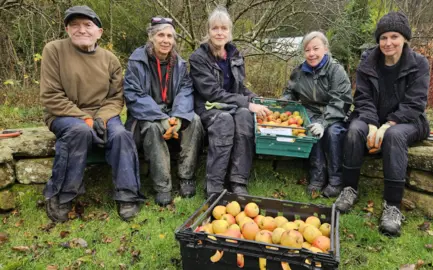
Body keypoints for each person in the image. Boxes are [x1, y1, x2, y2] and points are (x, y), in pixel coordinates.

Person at [40, 5, 145, 222]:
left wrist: (101, 118)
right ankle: (62, 194)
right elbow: (51, 95)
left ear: (99, 32)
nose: (82, 30)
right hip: (64, 114)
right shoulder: (54, 50)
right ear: (67, 29)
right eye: (75, 25)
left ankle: (127, 194)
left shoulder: (110, 59)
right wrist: (84, 119)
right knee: (79, 132)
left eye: (88, 25)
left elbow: (116, 97)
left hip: (103, 114)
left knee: (122, 136)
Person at [335, 12, 430, 236]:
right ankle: (349, 189)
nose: (388, 43)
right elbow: (363, 98)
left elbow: (415, 102)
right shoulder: (368, 62)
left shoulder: (419, 64)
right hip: (371, 115)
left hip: (408, 120)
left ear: (405, 39)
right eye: (383, 37)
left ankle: (392, 206)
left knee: (394, 136)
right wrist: (370, 123)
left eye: (394, 36)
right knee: (354, 130)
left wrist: (388, 124)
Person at [189, 7, 270, 198]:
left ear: (229, 32)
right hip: (208, 107)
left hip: (231, 105)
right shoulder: (198, 58)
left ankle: (238, 181)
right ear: (208, 31)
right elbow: (213, 93)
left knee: (244, 117)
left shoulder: (235, 55)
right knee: (224, 120)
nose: (219, 32)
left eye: (224, 28)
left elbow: (239, 88)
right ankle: (214, 186)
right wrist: (247, 103)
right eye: (215, 28)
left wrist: (254, 99)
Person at [123, 17, 203, 206]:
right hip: (147, 114)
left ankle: (186, 177)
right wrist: (161, 119)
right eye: (160, 35)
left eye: (170, 36)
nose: (165, 40)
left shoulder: (180, 64)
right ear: (151, 37)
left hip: (173, 112)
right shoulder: (137, 61)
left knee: (196, 120)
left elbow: (186, 90)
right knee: (152, 128)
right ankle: (163, 186)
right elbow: (134, 96)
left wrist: (179, 117)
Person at [281, 31, 352, 199]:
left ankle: (335, 180)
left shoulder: (336, 71)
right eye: (307, 50)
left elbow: (341, 100)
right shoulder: (299, 71)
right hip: (310, 112)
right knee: (310, 129)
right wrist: (284, 101)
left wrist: (324, 122)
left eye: (316, 48)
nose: (311, 53)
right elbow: (290, 92)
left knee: (332, 133)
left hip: (336, 113)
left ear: (325, 49)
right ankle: (317, 178)